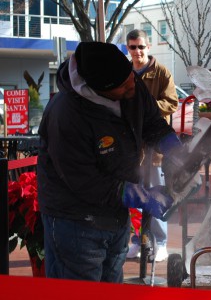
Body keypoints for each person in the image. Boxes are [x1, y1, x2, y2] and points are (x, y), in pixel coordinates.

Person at [37, 41, 184, 282]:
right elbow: (86, 182)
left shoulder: (129, 82)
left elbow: (152, 122)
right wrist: (140, 196)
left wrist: (174, 150)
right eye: (123, 87)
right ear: (98, 89)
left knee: (111, 286)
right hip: (75, 221)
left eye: (130, 78)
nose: (132, 87)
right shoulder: (67, 115)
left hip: (115, 214)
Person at [125, 29, 179, 262]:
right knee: (134, 197)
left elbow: (172, 102)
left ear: (148, 47)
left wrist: (144, 108)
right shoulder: (124, 72)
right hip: (131, 147)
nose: (137, 51)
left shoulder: (161, 72)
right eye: (132, 47)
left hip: (154, 147)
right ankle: (138, 240)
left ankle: (161, 243)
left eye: (140, 47)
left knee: (156, 194)